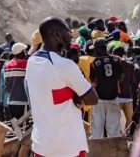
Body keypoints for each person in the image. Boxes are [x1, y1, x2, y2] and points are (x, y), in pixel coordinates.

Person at [26, 17, 98, 157]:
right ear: (56, 35)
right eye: (67, 31)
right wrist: (75, 95)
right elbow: (92, 99)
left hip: (42, 146)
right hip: (68, 147)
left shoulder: (31, 62)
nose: (71, 35)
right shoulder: (64, 65)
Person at [3, 43, 29, 119]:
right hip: (23, 101)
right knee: (24, 128)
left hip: (10, 100)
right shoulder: (26, 63)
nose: (25, 53)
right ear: (21, 52)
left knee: (15, 126)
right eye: (24, 51)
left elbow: (6, 85)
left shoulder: (7, 65)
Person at [113, 47, 135, 130]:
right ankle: (135, 140)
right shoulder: (130, 64)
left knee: (116, 123)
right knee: (130, 122)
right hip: (128, 97)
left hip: (117, 97)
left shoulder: (115, 64)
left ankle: (119, 140)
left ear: (114, 53)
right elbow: (131, 81)